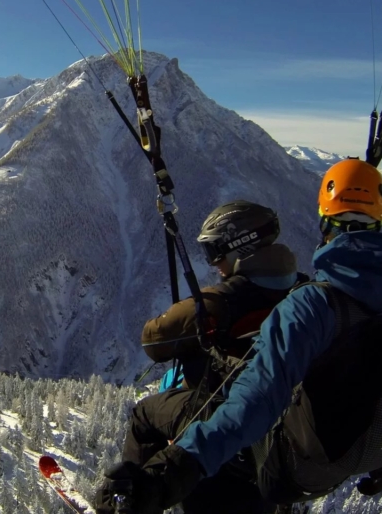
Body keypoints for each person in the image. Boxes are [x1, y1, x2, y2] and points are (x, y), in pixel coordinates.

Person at [94, 159, 382, 514]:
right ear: (380, 224)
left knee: (147, 416)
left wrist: (172, 472)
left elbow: (257, 400)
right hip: (329, 462)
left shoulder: (312, 304)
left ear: (324, 223)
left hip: (277, 454)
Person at [106, 200, 309, 512]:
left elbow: (153, 341)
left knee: (145, 415)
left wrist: (198, 312)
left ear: (239, 247)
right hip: (284, 422)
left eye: (215, 251)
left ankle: (136, 498)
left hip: (223, 412)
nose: (213, 262)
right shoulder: (306, 291)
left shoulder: (219, 303)